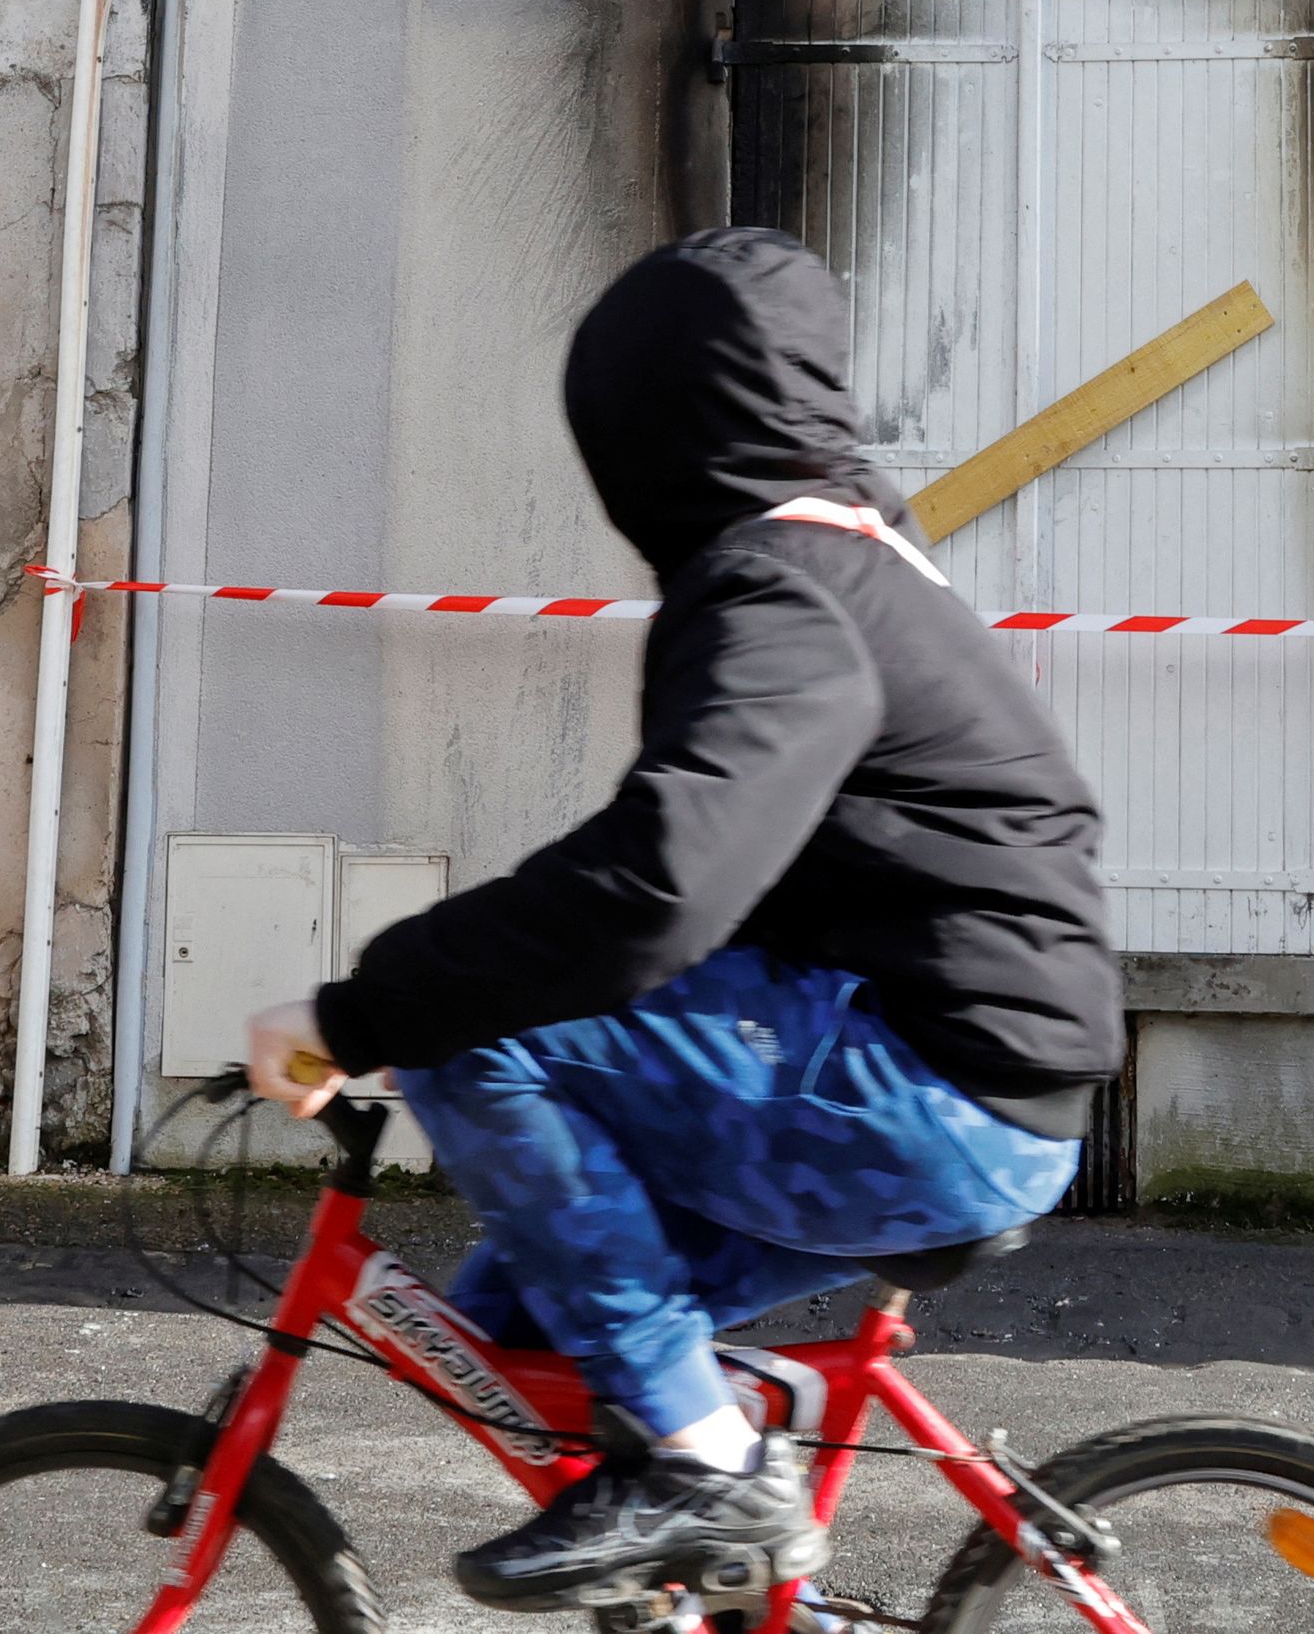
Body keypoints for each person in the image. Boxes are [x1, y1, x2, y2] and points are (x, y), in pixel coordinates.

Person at [245, 227, 1121, 1613]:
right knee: (526, 1332)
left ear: (656, 423)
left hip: (938, 1085)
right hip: (967, 1083)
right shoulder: (852, 562)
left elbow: (659, 887)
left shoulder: (787, 587)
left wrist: (363, 1014)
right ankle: (723, 1536)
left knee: (492, 1040)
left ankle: (715, 1465)